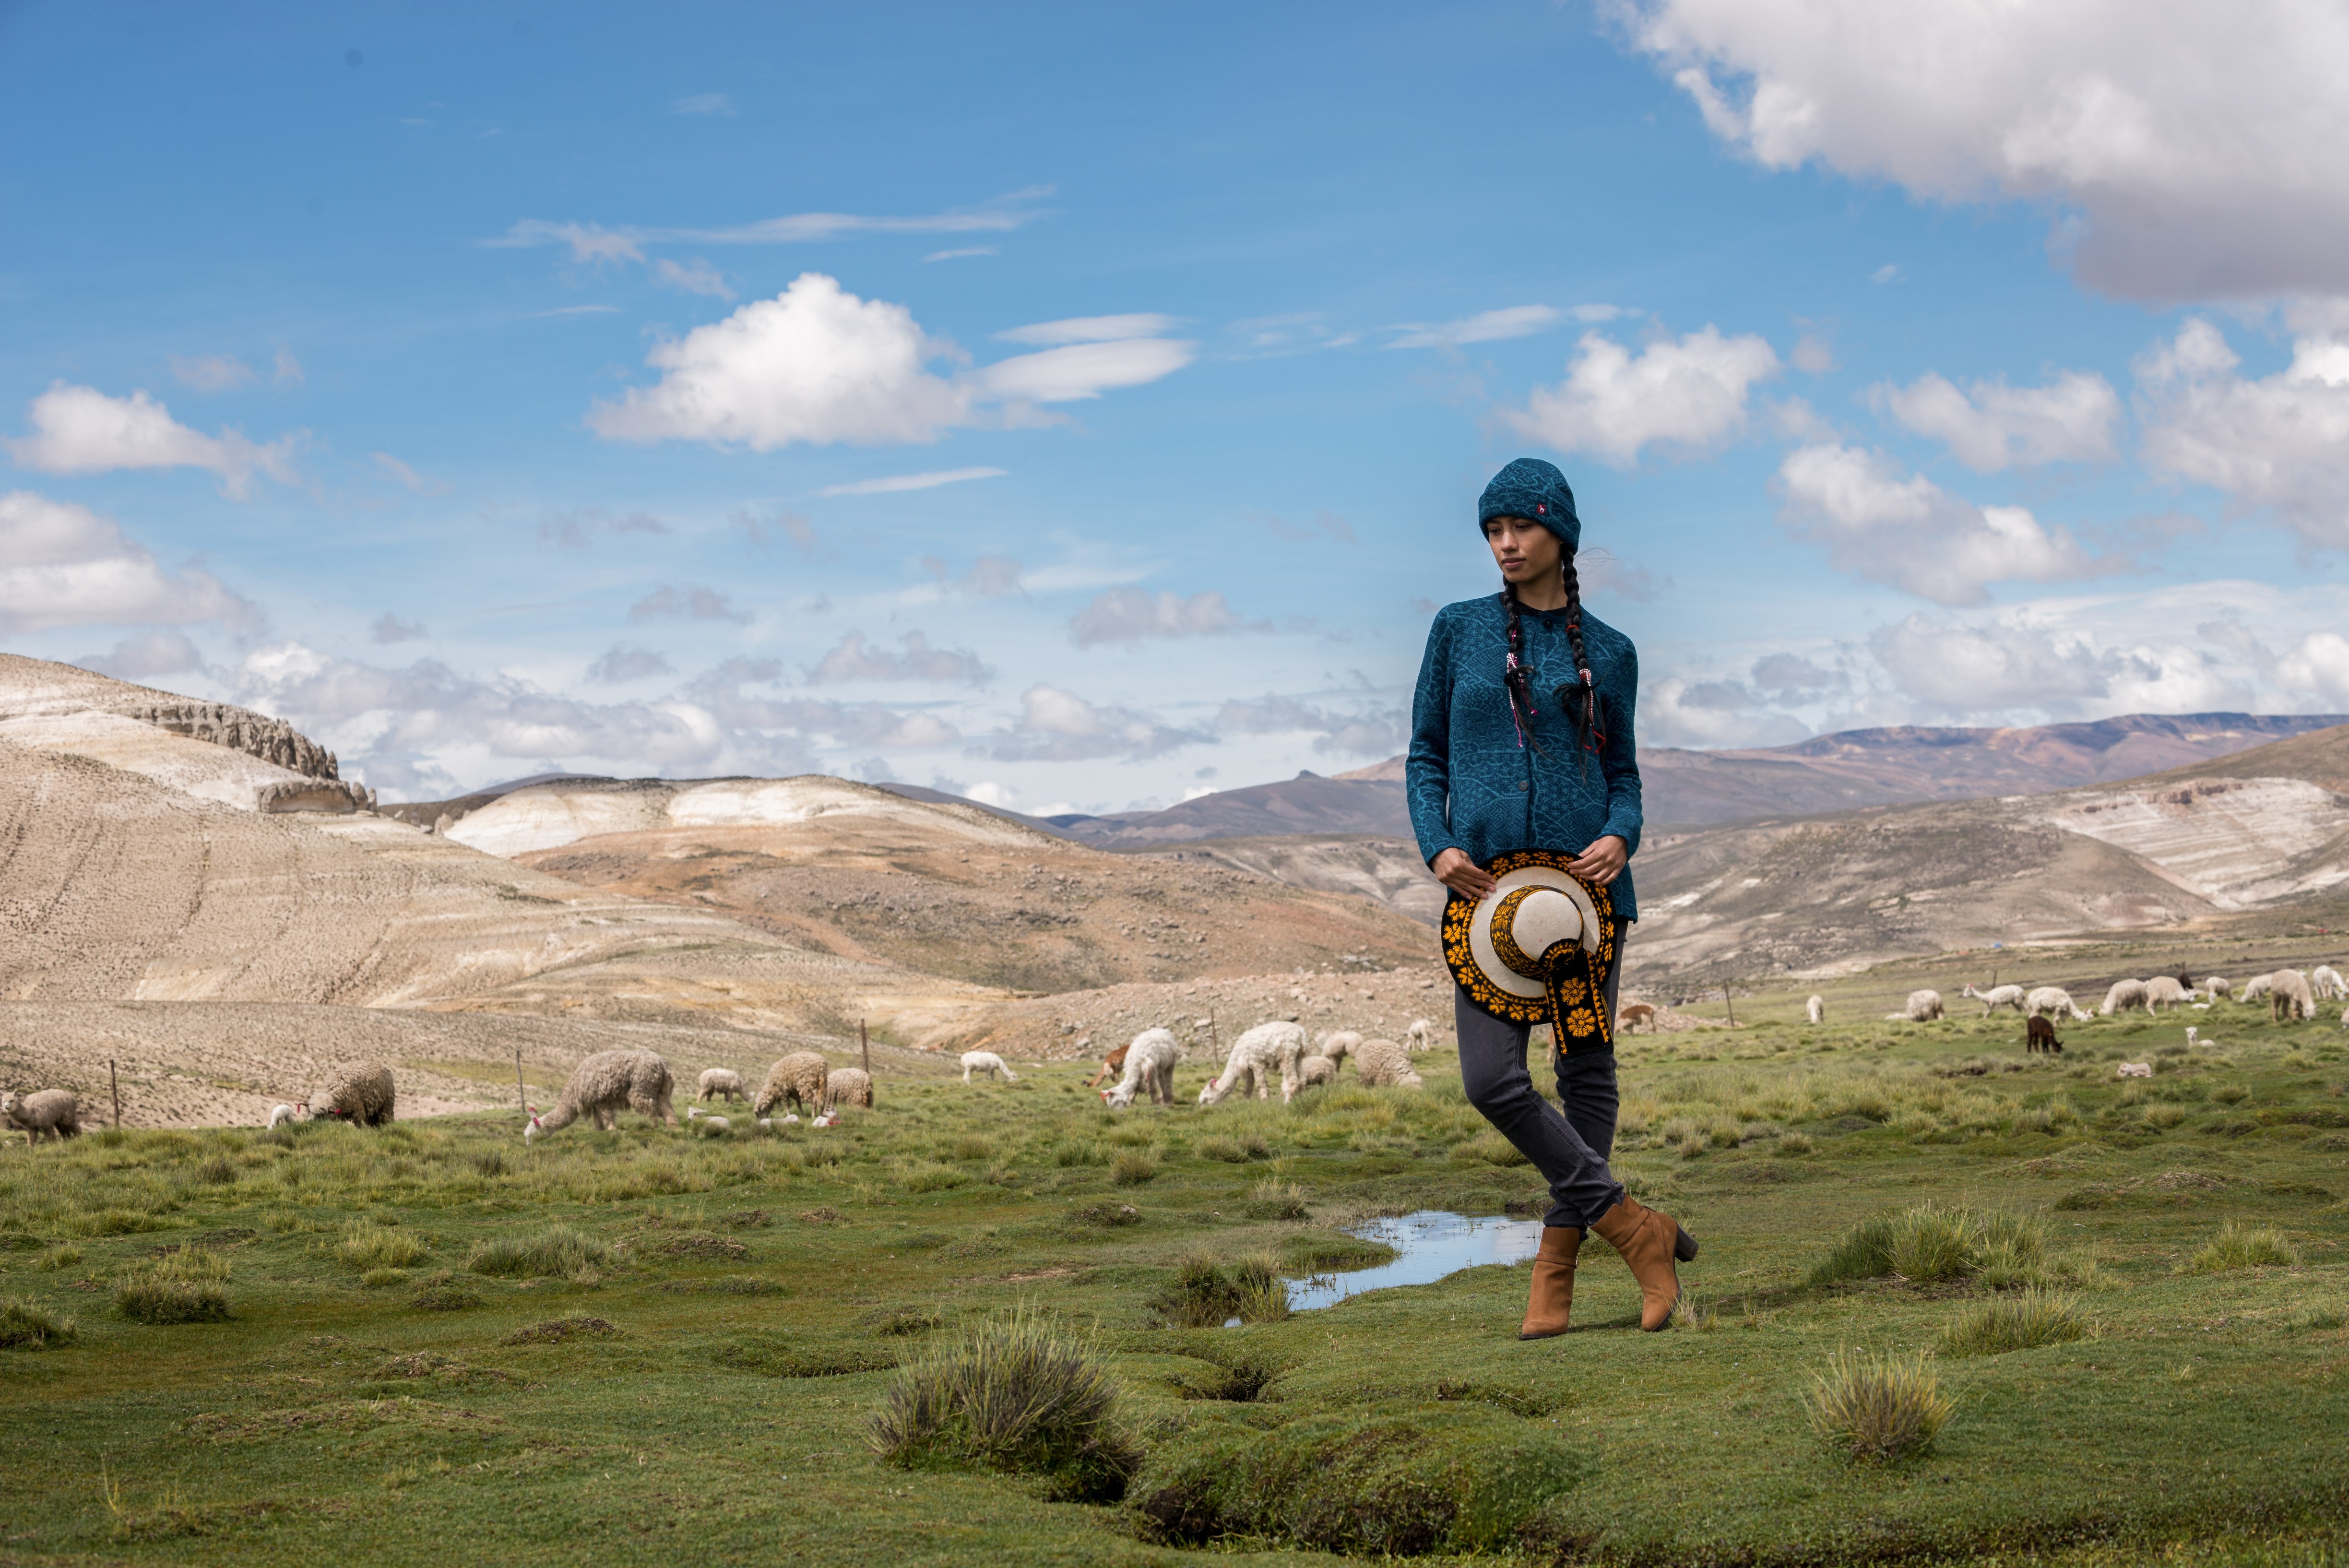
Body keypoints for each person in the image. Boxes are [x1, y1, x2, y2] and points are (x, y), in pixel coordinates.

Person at [1406, 457, 1696, 1338]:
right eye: (1493, 531)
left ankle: (1555, 1276)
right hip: (1490, 902)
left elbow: (1625, 775)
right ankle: (1634, 1229)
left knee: (1585, 1074)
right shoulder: (1456, 631)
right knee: (1491, 1080)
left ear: (1558, 534)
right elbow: (1425, 757)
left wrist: (1623, 833)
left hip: (1582, 905)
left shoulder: (1611, 651)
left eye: (1520, 529)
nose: (1505, 544)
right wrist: (1440, 847)